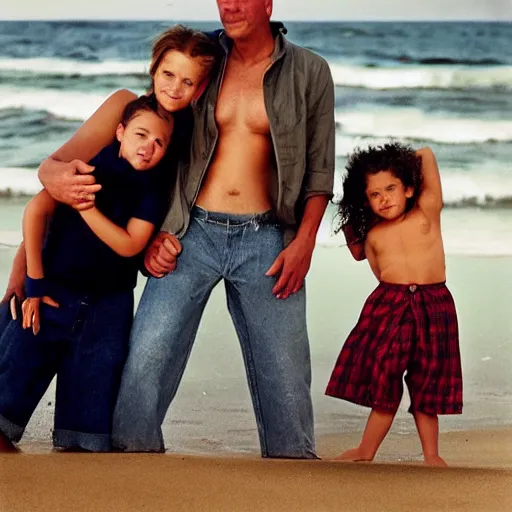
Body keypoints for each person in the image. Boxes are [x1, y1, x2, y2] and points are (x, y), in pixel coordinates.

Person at [111, 0, 335, 457]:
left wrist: (305, 243)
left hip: (269, 239)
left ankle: (296, 483)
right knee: (146, 359)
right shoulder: (202, 61)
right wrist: (151, 233)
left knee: (287, 382)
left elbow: (319, 170)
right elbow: (149, 133)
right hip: (189, 232)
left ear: (268, 3)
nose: (229, 5)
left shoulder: (310, 71)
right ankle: (129, 471)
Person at [0, 25, 220, 452]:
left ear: (202, 85)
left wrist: (153, 241)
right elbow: (56, 181)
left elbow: (158, 211)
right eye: (168, 75)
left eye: (189, 80)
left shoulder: (189, 132)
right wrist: (24, 271)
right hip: (58, 269)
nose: (175, 89)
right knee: (19, 358)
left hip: (113, 283)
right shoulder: (125, 110)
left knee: (88, 420)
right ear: (154, 69)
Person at [0, 94, 174, 452]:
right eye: (141, 135)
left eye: (159, 142)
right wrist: (32, 285)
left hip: (108, 306)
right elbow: (35, 212)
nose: (149, 147)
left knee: (87, 434)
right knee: (15, 375)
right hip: (53, 290)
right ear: (120, 131)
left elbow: (129, 245)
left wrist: (85, 207)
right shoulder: (87, 167)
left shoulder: (152, 188)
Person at [325, 143, 463, 467]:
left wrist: (397, 164)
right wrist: (354, 202)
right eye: (375, 194)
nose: (384, 198)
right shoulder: (371, 233)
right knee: (384, 379)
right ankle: (365, 450)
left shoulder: (427, 210)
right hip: (390, 303)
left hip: (434, 304)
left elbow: (427, 153)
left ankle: (432, 455)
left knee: (426, 382)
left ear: (410, 189)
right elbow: (370, 264)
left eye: (391, 188)